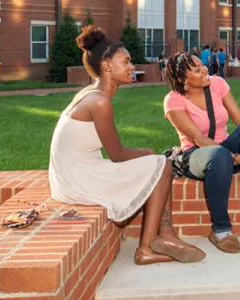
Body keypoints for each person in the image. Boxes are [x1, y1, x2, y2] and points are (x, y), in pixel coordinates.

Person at [48, 26, 205, 265]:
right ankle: (149, 247)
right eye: (127, 61)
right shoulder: (98, 102)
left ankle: (166, 235)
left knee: (159, 165)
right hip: (77, 178)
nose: (132, 66)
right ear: (107, 66)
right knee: (162, 163)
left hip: (71, 173)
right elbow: (118, 155)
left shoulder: (90, 94)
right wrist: (146, 153)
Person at [162, 52, 240, 254]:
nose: (205, 69)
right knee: (219, 155)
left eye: (202, 65)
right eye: (197, 69)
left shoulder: (218, 84)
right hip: (197, 156)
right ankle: (221, 230)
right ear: (182, 80)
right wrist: (237, 158)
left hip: (224, 148)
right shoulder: (173, 101)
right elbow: (199, 139)